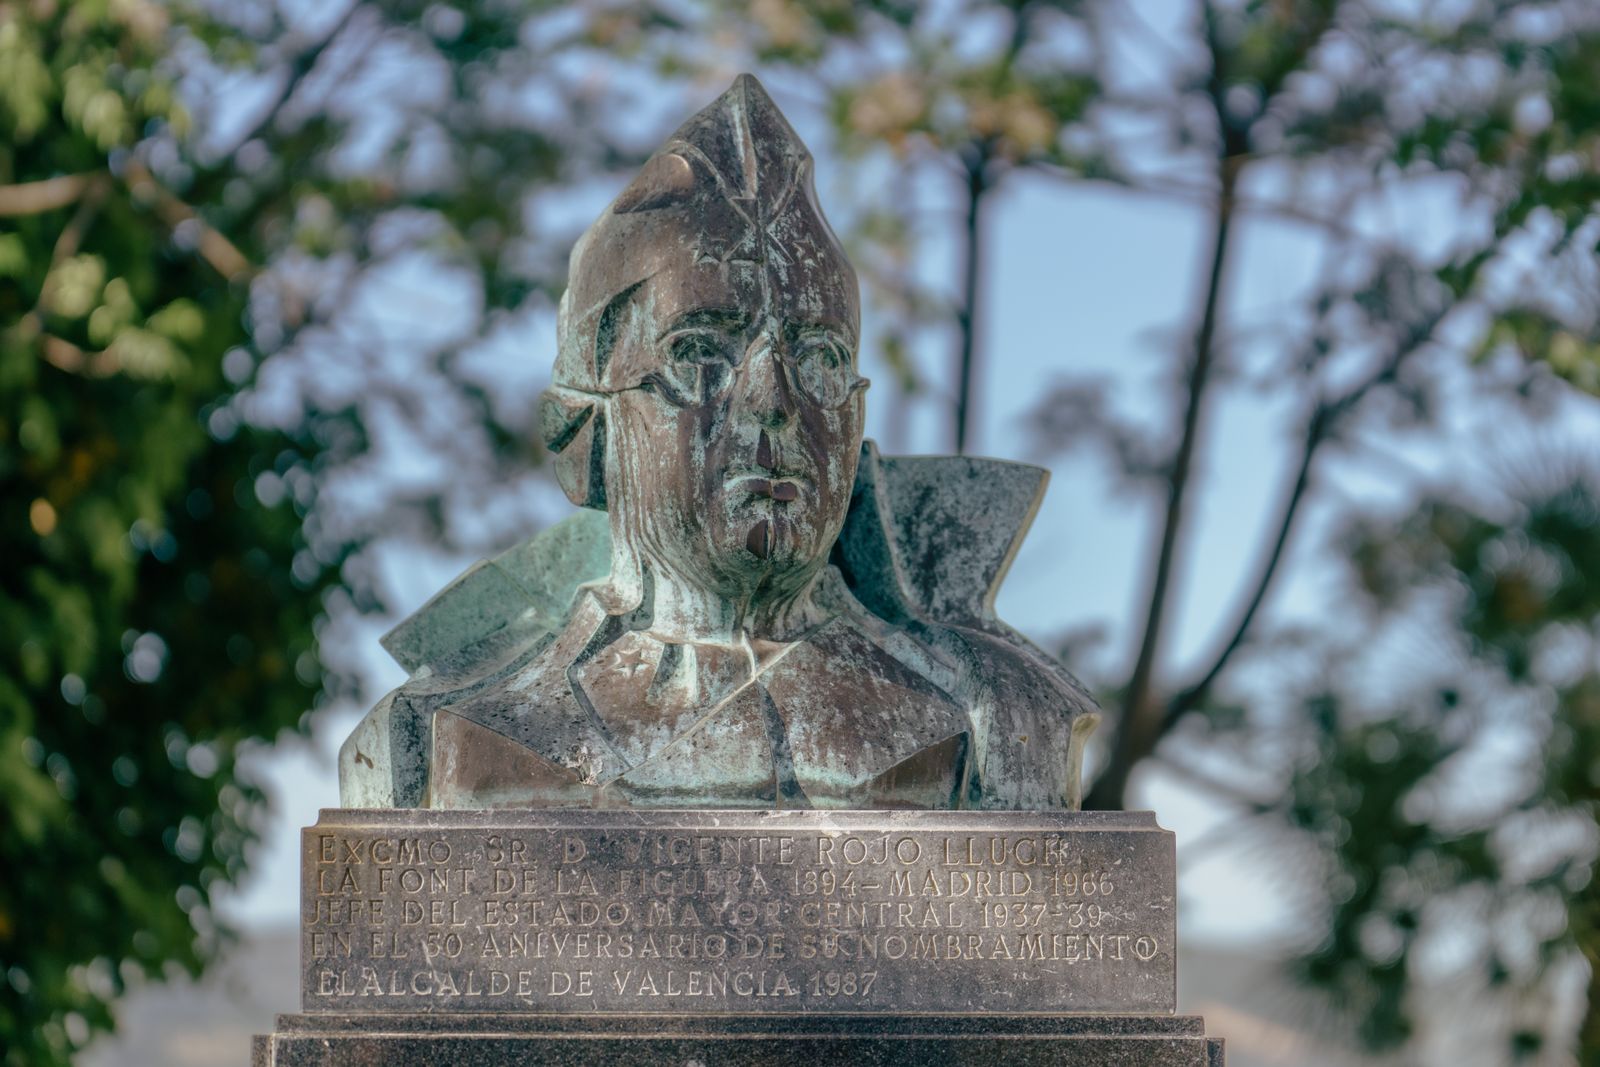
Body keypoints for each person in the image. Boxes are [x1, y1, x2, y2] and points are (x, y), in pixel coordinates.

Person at [340, 75, 1098, 810]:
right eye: (700, 354)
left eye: (820, 359)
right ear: (584, 428)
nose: (775, 405)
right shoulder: (451, 734)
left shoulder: (997, 720)